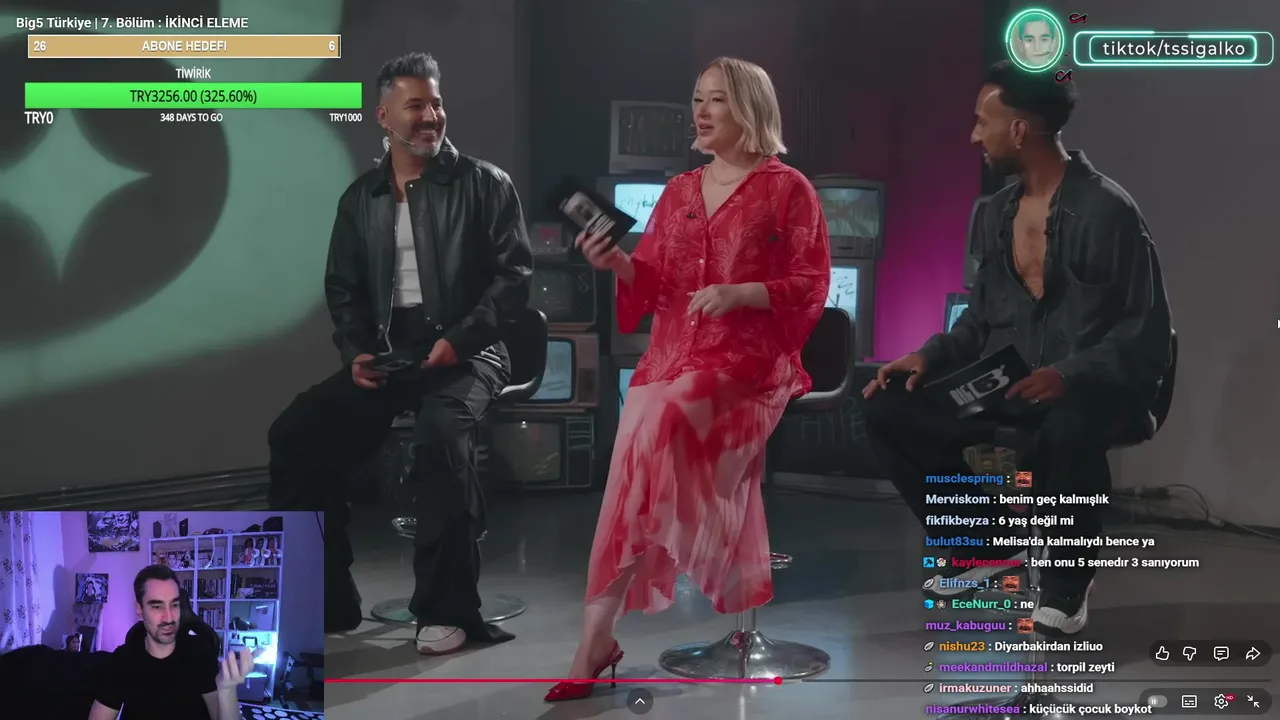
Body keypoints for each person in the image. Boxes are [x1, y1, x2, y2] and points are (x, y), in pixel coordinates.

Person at [546, 56, 831, 702]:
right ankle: (595, 637)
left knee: (659, 425)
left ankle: (624, 613)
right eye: (697, 99)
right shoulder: (678, 191)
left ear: (750, 108)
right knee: (630, 462)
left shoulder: (788, 189)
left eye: (717, 100)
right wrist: (617, 264)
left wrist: (743, 293)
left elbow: (811, 285)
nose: (700, 111)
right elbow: (656, 284)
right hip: (672, 359)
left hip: (748, 363)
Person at [862, 61, 1172, 637]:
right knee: (890, 406)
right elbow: (979, 320)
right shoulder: (998, 212)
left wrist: (1069, 373)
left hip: (1100, 388)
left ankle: (1065, 587)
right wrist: (931, 355)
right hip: (1012, 382)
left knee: (1069, 425)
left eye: (983, 122)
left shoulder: (1108, 211)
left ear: (1021, 130)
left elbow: (1145, 332)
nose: (973, 136)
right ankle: (983, 545)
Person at [266, 52, 533, 655]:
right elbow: (344, 290)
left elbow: (513, 279)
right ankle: (326, 600)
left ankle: (447, 611)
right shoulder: (360, 199)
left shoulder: (486, 184)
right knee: (296, 434)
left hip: (473, 350)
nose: (431, 116)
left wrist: (459, 340)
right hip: (393, 355)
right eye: (416, 105)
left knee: (439, 439)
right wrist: (357, 352)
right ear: (383, 116)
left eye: (436, 103)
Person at [88, 565, 253, 720]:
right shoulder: (122, 659)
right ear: (139, 609)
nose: (169, 618)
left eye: (174, 605)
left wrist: (227, 690)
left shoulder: (200, 652)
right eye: (157, 606)